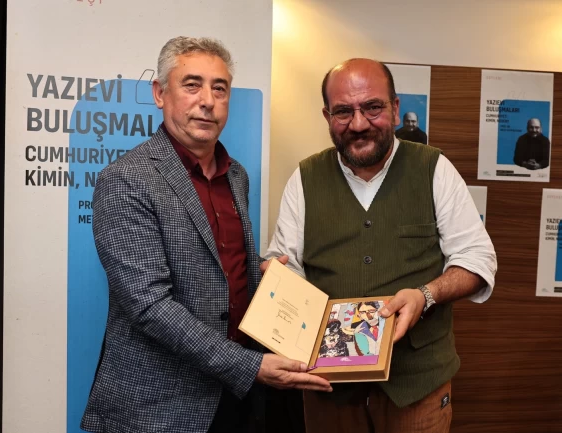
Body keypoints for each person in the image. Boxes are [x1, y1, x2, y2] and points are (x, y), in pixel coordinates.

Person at [80, 36, 331, 433]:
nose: (208, 101)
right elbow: (149, 306)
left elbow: (218, 262)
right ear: (160, 93)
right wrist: (250, 366)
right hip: (159, 407)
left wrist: (257, 272)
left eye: (220, 88)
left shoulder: (236, 175)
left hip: (234, 399)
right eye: (192, 85)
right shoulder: (126, 179)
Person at [267, 58, 497, 433]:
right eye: (344, 111)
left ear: (395, 108)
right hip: (329, 387)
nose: (359, 124)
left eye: (372, 107)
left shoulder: (434, 169)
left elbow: (477, 260)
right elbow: (285, 264)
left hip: (417, 387)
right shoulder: (304, 178)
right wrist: (280, 281)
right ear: (327, 116)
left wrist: (426, 295)